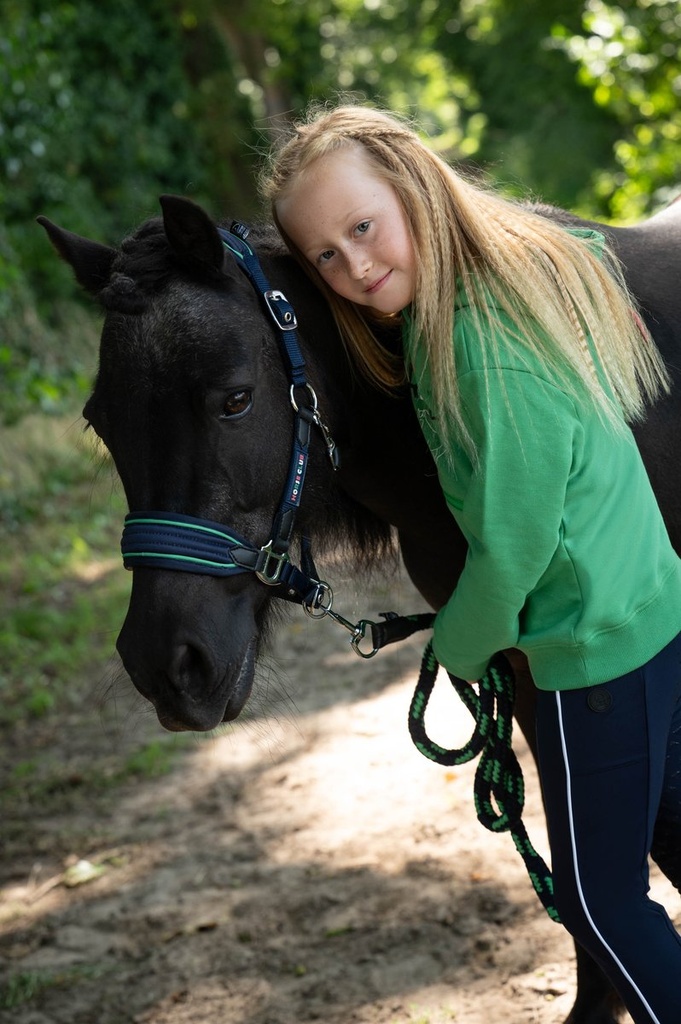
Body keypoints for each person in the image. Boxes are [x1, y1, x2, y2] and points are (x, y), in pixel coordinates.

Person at [260, 103, 681, 1023]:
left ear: (413, 189)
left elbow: (516, 548)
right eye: (326, 255)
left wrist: (459, 643)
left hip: (587, 660)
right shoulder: (502, 290)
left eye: (362, 228)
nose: (354, 266)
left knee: (603, 904)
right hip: (647, 625)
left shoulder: (479, 348)